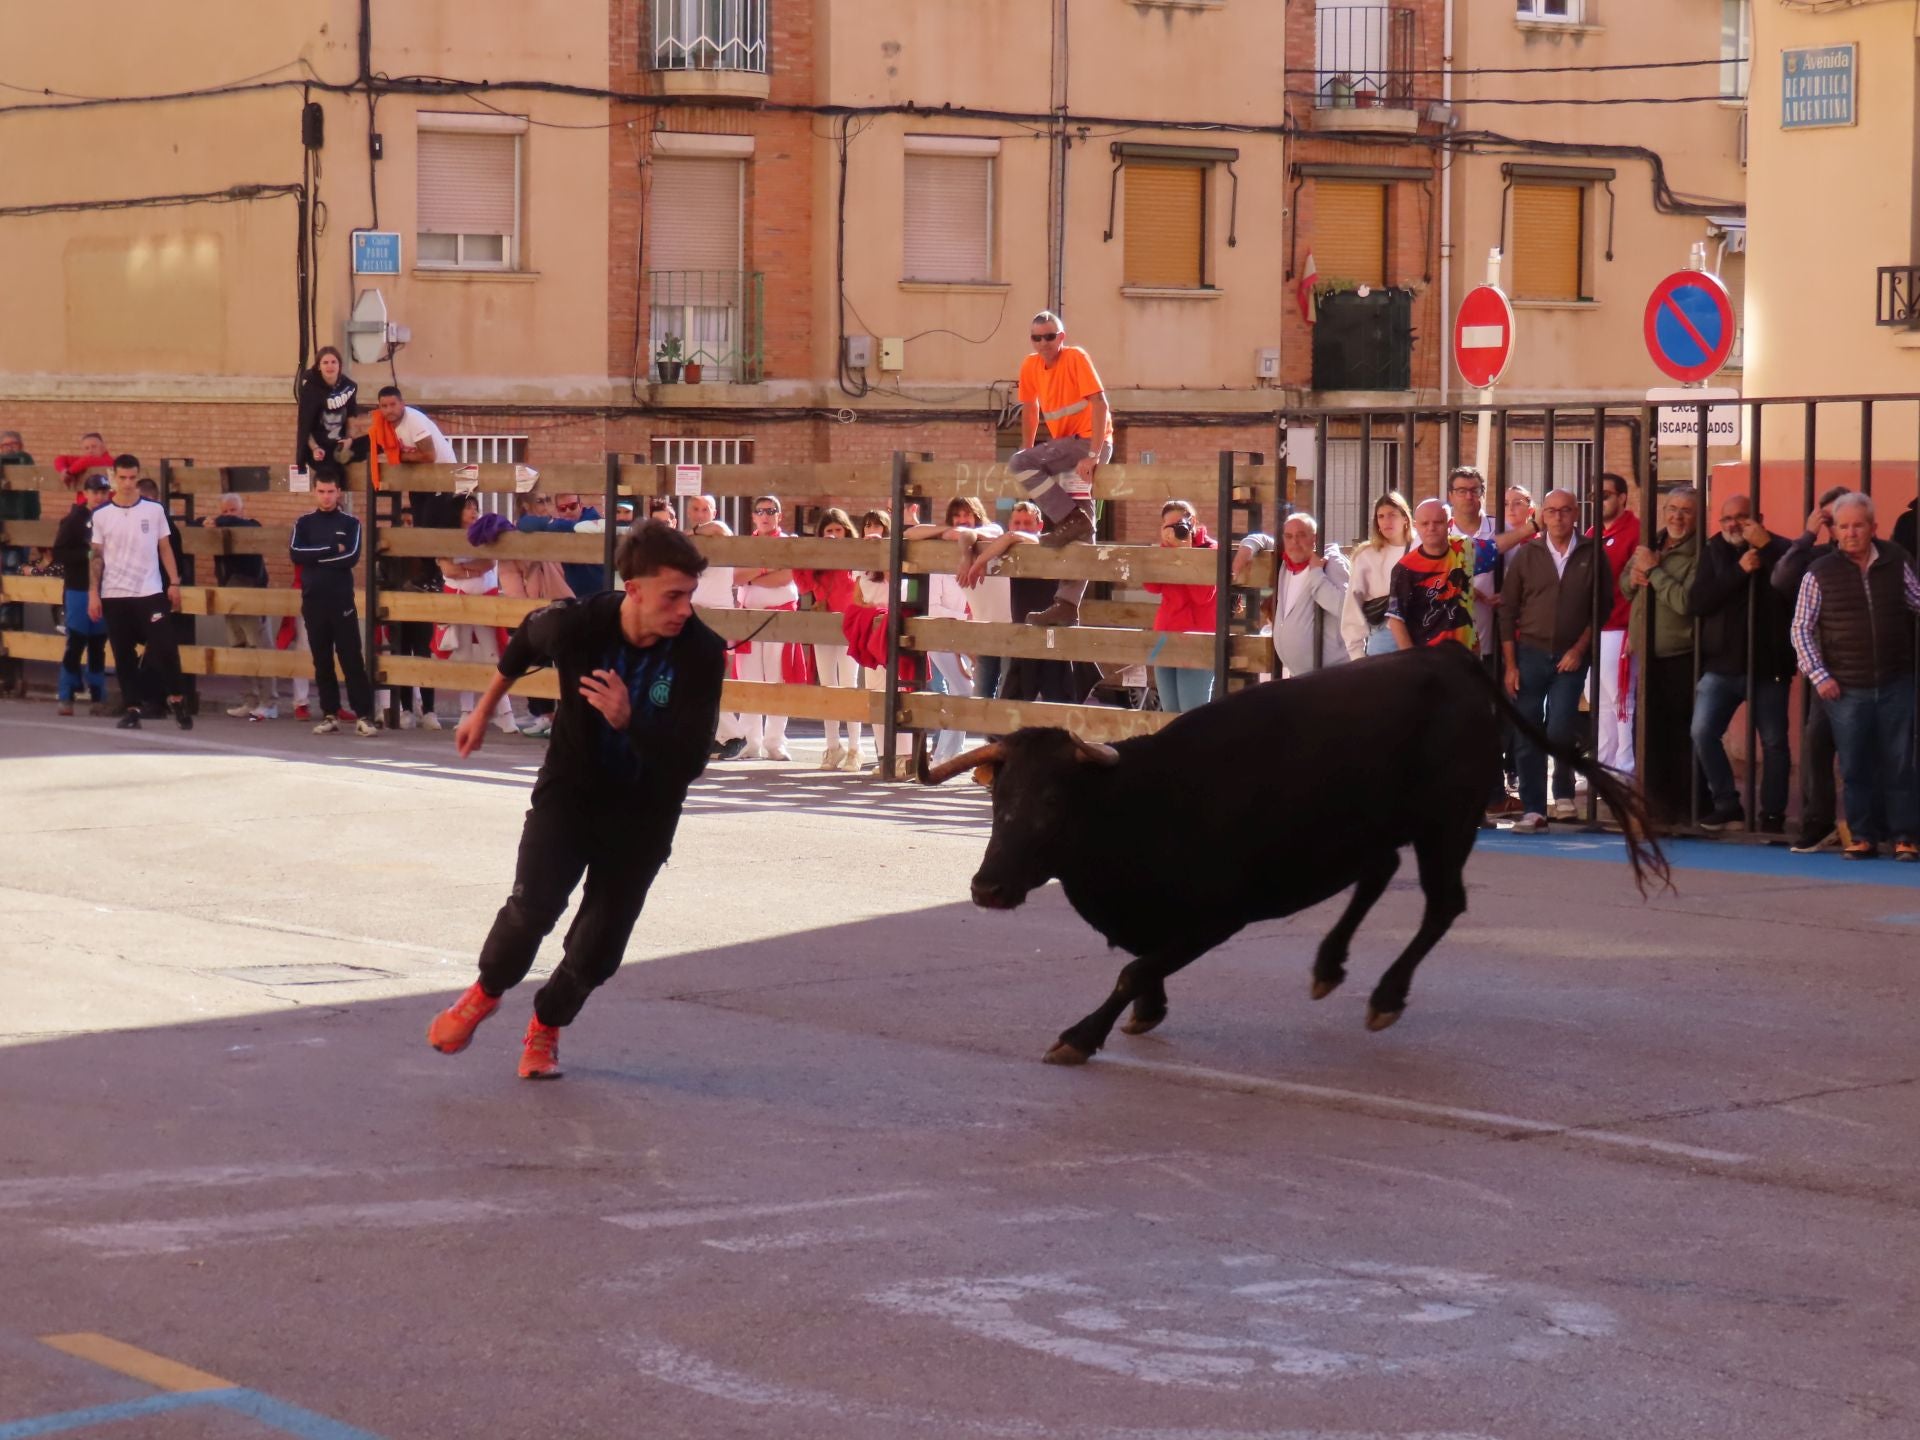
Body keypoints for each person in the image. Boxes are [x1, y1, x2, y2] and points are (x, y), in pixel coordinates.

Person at [427, 522, 726, 1079]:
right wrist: (482, 710)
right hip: (571, 795)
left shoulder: (701, 653)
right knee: (532, 909)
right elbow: (523, 643)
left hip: (643, 815)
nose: (685, 609)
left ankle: (546, 1026)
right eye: (673, 595)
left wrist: (629, 720)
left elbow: (690, 760)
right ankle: (486, 991)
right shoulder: (578, 624)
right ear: (634, 589)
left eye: (691, 595)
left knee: (598, 949)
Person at [1789, 492, 1920, 861]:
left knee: (1899, 762)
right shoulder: (1819, 572)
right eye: (1844, 526)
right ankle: (1862, 835)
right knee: (1855, 764)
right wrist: (1819, 675)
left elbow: (1917, 599)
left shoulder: (1895, 560)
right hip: (1844, 687)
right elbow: (1800, 628)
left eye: (1858, 525)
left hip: (1896, 679)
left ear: (1873, 527)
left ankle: (1904, 837)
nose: (1851, 533)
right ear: (1835, 531)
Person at [1499, 488, 1612, 832]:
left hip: (1571, 656)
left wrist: (1579, 649)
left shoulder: (1592, 552)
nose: (1558, 517)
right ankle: (1534, 809)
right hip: (1529, 654)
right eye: (1551, 511)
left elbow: (1602, 606)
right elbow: (1508, 610)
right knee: (1529, 731)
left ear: (1576, 514)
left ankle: (1562, 792)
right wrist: (1510, 664)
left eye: (1565, 511)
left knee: (1561, 726)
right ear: (1542, 515)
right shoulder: (1527, 553)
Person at [1687, 493, 1793, 835]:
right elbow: (1698, 602)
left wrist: (1769, 551)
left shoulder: (1781, 547)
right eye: (1726, 518)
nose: (1733, 524)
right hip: (1721, 665)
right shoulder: (1714, 550)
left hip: (1769, 665)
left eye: (1741, 517)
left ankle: (1772, 815)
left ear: (1757, 517)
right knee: (1702, 732)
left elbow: (1799, 586)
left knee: (1775, 744)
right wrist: (1738, 571)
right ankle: (1727, 804)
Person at [1011, 310, 1113, 626]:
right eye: (1036, 337)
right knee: (1084, 535)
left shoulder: (1076, 357)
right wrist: (1029, 447)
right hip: (1068, 451)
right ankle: (1067, 605)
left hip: (1085, 445)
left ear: (1061, 337)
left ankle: (1071, 518)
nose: (1043, 343)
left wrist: (1094, 453)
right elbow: (1031, 408)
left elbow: (1100, 405)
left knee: (1019, 464)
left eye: (1050, 336)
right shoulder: (1030, 365)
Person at [1772, 487, 1854, 850]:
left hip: (1875, 668)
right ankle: (1819, 821)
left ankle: (1870, 825)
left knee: (1875, 750)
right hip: (1827, 671)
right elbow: (1781, 579)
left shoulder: (1884, 557)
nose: (1843, 528)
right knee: (1817, 746)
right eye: (1832, 520)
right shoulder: (1817, 558)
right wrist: (1807, 535)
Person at [88, 455, 189, 731]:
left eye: (133, 478)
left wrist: (174, 582)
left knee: (165, 646)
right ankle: (132, 708)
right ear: (114, 478)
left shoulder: (154, 510)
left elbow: (165, 547)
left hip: (149, 590)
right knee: (123, 653)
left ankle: (178, 698)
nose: (128, 483)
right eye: (123, 478)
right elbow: (96, 556)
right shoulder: (101, 515)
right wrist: (93, 593)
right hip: (115, 593)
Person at [907, 496, 1007, 760]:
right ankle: (944, 755)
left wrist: (965, 535)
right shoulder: (941, 549)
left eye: (968, 516)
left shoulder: (990, 536)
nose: (963, 521)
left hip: (979, 629)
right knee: (962, 689)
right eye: (957, 517)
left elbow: (996, 530)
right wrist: (945, 531)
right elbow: (910, 533)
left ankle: (952, 752)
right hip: (943, 632)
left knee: (975, 692)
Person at [1628, 486, 1702, 826]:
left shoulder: (1700, 552)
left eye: (1686, 510)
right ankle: (1653, 807)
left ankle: (1686, 809)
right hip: (1648, 653)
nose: (1677, 516)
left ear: (1697, 515)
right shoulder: (1652, 543)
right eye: (1672, 508)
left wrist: (1655, 573)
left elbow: (1686, 602)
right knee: (1648, 734)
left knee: (1679, 734)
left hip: (1680, 654)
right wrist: (1635, 575)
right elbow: (1623, 586)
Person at [290, 474, 378, 737]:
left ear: (339, 492)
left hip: (341, 601)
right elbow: (296, 553)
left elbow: (350, 557)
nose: (326, 496)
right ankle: (330, 713)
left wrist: (315, 558)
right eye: (321, 491)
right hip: (313, 601)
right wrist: (330, 548)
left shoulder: (351, 523)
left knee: (351, 657)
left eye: (330, 491)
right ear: (314, 492)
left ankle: (364, 715)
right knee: (322, 659)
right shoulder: (303, 523)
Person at [489, 492, 575, 738]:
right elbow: (510, 578)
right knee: (534, 656)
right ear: (524, 505)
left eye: (549, 501)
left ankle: (564, 715)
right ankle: (543, 714)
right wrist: (525, 608)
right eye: (540, 501)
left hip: (561, 600)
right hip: (531, 606)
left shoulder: (552, 530)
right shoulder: (515, 538)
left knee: (566, 661)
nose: (547, 507)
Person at [437, 495, 521, 735]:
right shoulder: (445, 535)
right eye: (467, 508)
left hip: (485, 597)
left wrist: (464, 570)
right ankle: (466, 712)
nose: (473, 512)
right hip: (458, 599)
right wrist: (469, 570)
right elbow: (447, 569)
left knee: (493, 654)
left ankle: (504, 713)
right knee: (462, 653)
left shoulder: (483, 532)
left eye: (475, 508)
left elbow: (488, 564)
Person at [798, 507, 867, 770]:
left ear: (847, 532)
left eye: (838, 530)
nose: (834, 535)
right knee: (828, 686)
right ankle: (832, 746)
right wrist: (806, 554)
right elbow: (803, 585)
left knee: (849, 685)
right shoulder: (819, 564)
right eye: (828, 531)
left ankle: (854, 749)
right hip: (823, 626)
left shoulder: (854, 557)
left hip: (849, 626)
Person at [1385, 498, 1501, 653]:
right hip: (1428, 659)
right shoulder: (1405, 568)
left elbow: (1498, 546)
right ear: (1416, 526)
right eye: (1425, 523)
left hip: (1467, 655)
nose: (1431, 528)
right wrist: (1412, 660)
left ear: (1450, 524)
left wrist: (1532, 527)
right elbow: (1396, 618)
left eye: (1438, 522)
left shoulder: (1463, 547)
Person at [203, 492, 280, 721]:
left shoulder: (251, 526)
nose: (227, 515)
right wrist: (209, 523)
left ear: (241, 511)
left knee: (260, 646)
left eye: (232, 510)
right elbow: (197, 524)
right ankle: (250, 700)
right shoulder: (219, 531)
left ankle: (270, 702)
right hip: (228, 589)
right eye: (224, 511)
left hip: (250, 589)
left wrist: (220, 521)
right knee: (239, 646)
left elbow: (243, 525)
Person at [736, 494, 800, 761]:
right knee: (749, 679)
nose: (765, 515)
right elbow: (737, 576)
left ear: (779, 515)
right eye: (760, 511)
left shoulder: (788, 543)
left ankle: (775, 742)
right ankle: (751, 741)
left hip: (779, 617)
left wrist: (753, 576)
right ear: (753, 516)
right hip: (748, 618)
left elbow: (786, 576)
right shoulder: (744, 544)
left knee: (777, 679)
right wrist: (765, 568)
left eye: (771, 511)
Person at [684, 494, 745, 760]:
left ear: (714, 510)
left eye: (704, 509)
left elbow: (718, 529)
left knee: (712, 677)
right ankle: (719, 736)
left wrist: (694, 531)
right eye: (695, 509)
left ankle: (735, 735)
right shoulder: (688, 542)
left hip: (718, 618)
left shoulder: (720, 529)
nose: (700, 513)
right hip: (693, 615)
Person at [1143, 500, 1217, 713]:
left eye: (1179, 524)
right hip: (1165, 637)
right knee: (1170, 713)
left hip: (1197, 640)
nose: (1175, 530)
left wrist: (1187, 553)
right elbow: (1151, 586)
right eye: (1168, 526)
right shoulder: (1167, 551)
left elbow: (1203, 596)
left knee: (1192, 713)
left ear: (1192, 522)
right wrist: (1165, 550)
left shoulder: (1210, 549)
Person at [1592, 472, 1642, 778]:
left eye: (1606, 495)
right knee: (1599, 702)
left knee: (1622, 700)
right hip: (1594, 630)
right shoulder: (1593, 531)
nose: (1600, 501)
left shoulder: (1635, 531)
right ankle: (1603, 764)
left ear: (1623, 498)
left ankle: (1625, 766)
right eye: (1595, 496)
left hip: (1620, 628)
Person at [51, 473, 112, 716]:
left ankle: (98, 695)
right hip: (78, 587)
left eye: (103, 492)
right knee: (76, 641)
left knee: (98, 643)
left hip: (105, 587)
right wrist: (88, 556)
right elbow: (59, 553)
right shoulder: (75, 520)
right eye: (94, 492)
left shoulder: (112, 517)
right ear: (85, 493)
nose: (99, 497)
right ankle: (66, 695)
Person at [381, 502, 442, 730]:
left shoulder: (426, 552)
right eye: (403, 523)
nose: (408, 527)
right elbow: (383, 579)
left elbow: (437, 577)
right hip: (398, 610)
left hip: (422, 609)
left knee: (424, 657)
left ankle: (429, 710)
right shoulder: (389, 554)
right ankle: (406, 709)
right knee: (403, 657)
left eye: (411, 523)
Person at [1269, 513, 1349, 679]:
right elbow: (1264, 540)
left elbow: (1346, 610)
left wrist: (1317, 574)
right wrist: (1249, 545)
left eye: (1301, 535)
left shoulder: (1331, 563)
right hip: (1299, 676)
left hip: (1330, 675)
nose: (1294, 542)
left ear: (1315, 538)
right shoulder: (1287, 564)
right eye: (1289, 536)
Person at [1342, 492, 1412, 659]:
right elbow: (1352, 606)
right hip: (1384, 636)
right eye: (1381, 516)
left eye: (1392, 515)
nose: (1386, 521)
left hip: (1420, 633)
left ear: (1405, 518)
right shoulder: (1366, 555)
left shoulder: (1421, 548)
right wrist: (1357, 654)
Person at [368, 386, 456, 492]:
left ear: (402, 404)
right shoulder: (382, 423)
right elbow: (372, 443)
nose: (389, 410)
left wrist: (395, 457)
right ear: (379, 408)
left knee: (432, 508)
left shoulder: (414, 419)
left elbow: (429, 456)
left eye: (393, 405)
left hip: (442, 473)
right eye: (384, 406)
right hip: (418, 476)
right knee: (417, 509)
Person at [295, 347, 359, 476]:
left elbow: (351, 416)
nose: (330, 366)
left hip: (340, 444)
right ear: (319, 366)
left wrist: (350, 439)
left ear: (339, 365)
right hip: (319, 446)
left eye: (333, 362)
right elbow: (305, 424)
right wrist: (315, 448)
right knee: (329, 474)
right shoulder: (310, 389)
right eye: (325, 363)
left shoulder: (349, 386)